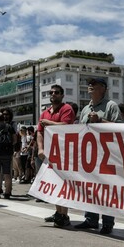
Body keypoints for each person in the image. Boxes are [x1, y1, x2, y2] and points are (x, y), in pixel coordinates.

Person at [74, 77, 120, 234]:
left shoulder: (111, 106)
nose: (90, 86)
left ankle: (107, 222)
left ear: (104, 89)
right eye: (89, 84)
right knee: (90, 188)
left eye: (95, 84)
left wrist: (100, 119)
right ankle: (90, 219)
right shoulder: (86, 109)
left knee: (106, 189)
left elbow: (120, 127)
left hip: (106, 155)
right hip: (88, 156)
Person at [37, 85, 75, 227]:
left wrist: (49, 123)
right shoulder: (45, 112)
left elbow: (67, 126)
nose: (53, 94)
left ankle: (64, 214)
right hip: (49, 152)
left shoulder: (67, 109)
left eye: (56, 92)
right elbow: (39, 132)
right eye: (51, 93)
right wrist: (40, 149)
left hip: (64, 152)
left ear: (62, 95)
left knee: (63, 184)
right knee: (53, 183)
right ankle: (58, 212)